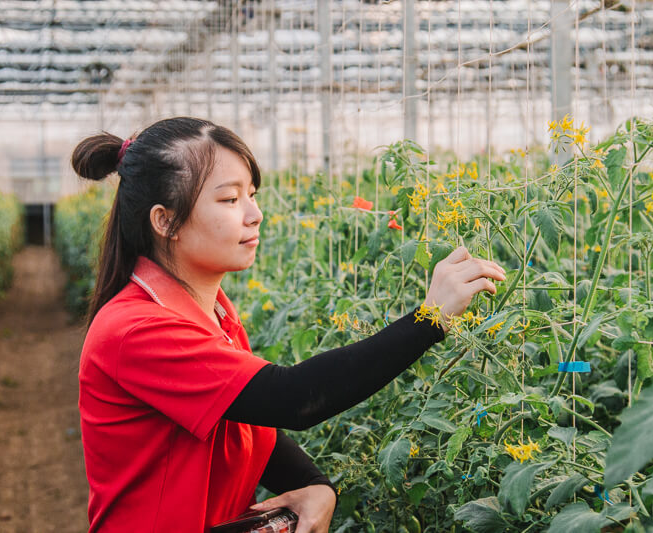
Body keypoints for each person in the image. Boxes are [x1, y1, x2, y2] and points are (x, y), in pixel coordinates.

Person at [72, 117, 506, 533]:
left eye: (252, 195)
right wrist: (429, 319)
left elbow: (247, 421)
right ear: (165, 220)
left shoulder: (211, 314)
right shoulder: (136, 330)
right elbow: (292, 398)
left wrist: (315, 485)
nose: (254, 214)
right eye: (229, 199)